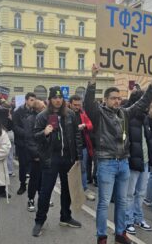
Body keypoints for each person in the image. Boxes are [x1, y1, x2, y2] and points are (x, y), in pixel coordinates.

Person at [84, 64, 152, 244]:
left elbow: (142, 103)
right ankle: (102, 236)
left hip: (123, 163)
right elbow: (88, 102)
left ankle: (120, 233)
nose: (117, 101)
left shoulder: (124, 113)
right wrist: (93, 78)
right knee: (103, 203)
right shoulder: (99, 114)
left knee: (122, 201)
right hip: (106, 163)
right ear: (106, 99)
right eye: (113, 98)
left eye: (119, 98)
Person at [32, 86, 83, 237]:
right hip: (50, 158)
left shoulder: (71, 115)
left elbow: (77, 135)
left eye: (60, 98)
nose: (58, 100)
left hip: (68, 157)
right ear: (50, 99)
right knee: (45, 191)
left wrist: (78, 156)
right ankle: (39, 221)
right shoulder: (42, 116)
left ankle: (65, 217)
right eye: (55, 97)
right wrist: (44, 133)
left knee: (67, 190)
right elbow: (35, 136)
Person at [124, 90, 152, 235]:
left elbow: (149, 141)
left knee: (141, 193)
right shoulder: (128, 118)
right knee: (129, 193)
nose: (149, 105)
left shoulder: (145, 118)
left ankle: (139, 218)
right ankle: (128, 220)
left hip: (145, 160)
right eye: (147, 101)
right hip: (132, 161)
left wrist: (151, 158)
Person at [68, 94, 95, 201]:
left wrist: (84, 125)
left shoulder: (82, 113)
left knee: (82, 169)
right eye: (75, 105)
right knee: (70, 170)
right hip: (69, 147)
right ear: (70, 104)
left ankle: (84, 189)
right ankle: (71, 190)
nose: (77, 107)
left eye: (79, 105)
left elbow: (90, 125)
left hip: (82, 146)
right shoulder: (66, 114)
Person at [12, 92, 36, 195]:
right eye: (31, 100)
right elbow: (15, 127)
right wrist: (27, 133)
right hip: (22, 143)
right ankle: (22, 185)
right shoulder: (18, 112)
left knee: (34, 166)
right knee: (23, 165)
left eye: (34, 100)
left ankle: (33, 186)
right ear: (26, 100)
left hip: (34, 144)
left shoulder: (36, 111)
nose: (33, 102)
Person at [26, 100, 46, 212]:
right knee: (34, 179)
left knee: (45, 179)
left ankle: (43, 198)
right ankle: (31, 199)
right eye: (43, 107)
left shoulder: (48, 118)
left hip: (47, 154)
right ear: (38, 109)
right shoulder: (30, 120)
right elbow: (29, 139)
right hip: (37, 155)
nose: (46, 108)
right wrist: (36, 154)